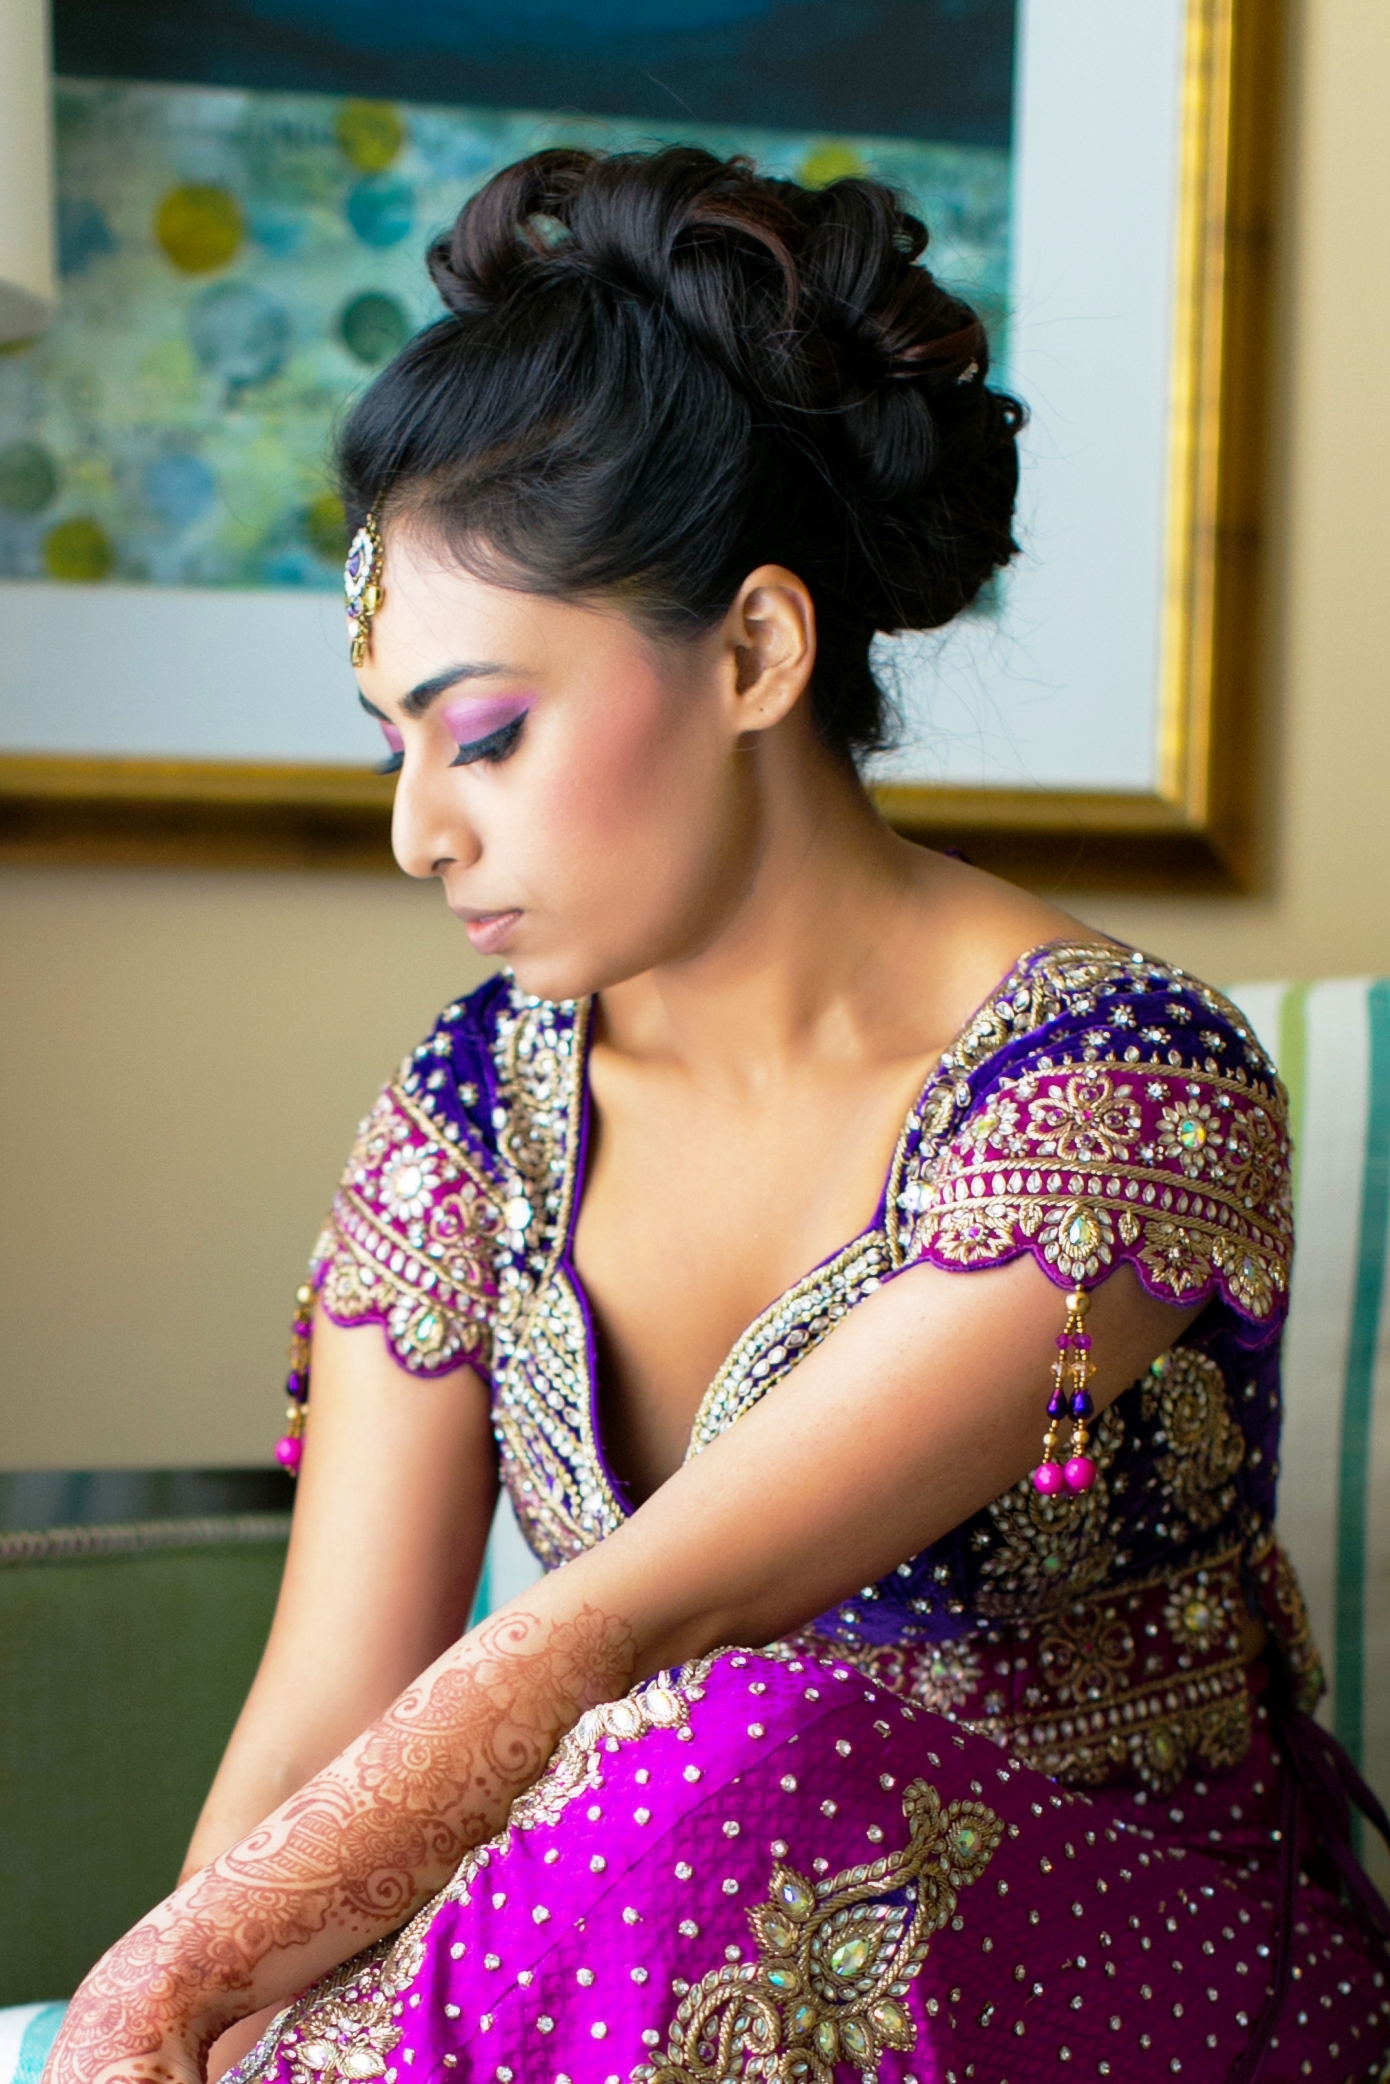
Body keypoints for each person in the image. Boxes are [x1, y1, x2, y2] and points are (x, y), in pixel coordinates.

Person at [45, 147, 1390, 2084]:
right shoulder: (469, 1112)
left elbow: (610, 1638)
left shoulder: (1119, 1090)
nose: (422, 829)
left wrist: (157, 1989)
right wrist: (187, 2007)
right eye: (394, 747)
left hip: (1116, 1966)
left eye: (486, 732)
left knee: (734, 1742)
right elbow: (332, 1706)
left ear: (754, 651)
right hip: (619, 1956)